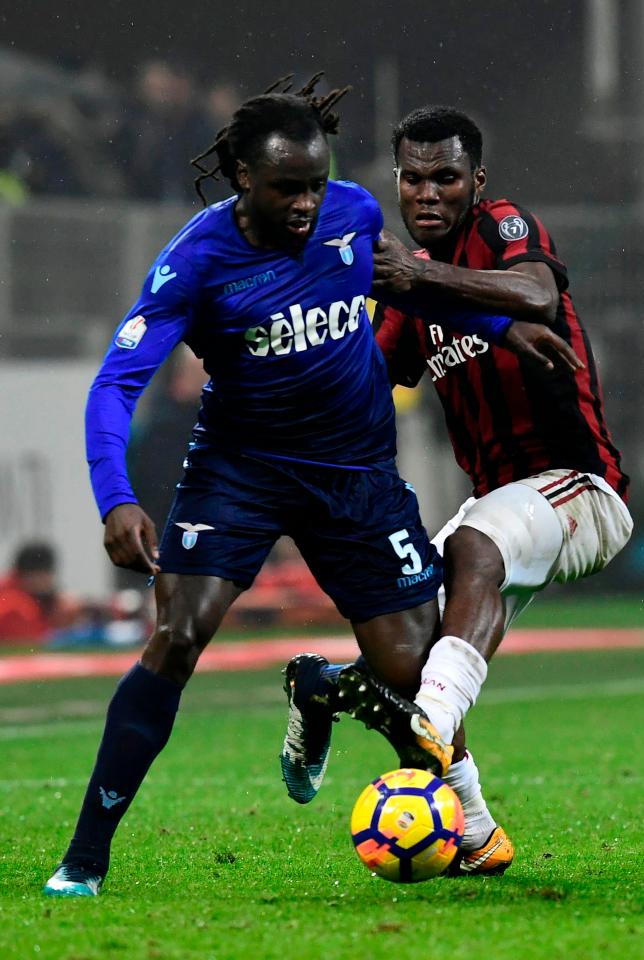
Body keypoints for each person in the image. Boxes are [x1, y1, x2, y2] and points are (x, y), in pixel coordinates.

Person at [42, 74, 486, 898]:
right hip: (238, 473)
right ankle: (85, 857)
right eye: (288, 188)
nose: (307, 204)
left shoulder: (353, 212)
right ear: (245, 177)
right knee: (177, 635)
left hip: (356, 475)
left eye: (315, 184)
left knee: (410, 671)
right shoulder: (197, 259)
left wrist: (505, 325)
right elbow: (115, 383)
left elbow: (407, 288)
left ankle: (325, 697)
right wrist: (116, 497)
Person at [284, 106, 632, 878]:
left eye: (445, 177)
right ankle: (472, 830)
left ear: (476, 182)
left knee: (474, 549)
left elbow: (536, 296)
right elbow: (363, 387)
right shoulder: (406, 299)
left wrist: (412, 276)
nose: (428, 193)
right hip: (497, 504)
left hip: (579, 487)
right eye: (412, 178)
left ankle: (433, 718)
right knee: (402, 646)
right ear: (397, 183)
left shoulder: (504, 229)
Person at [0, 541, 81, 645]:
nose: (49, 581)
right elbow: (34, 643)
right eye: (47, 574)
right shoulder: (16, 606)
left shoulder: (16, 595)